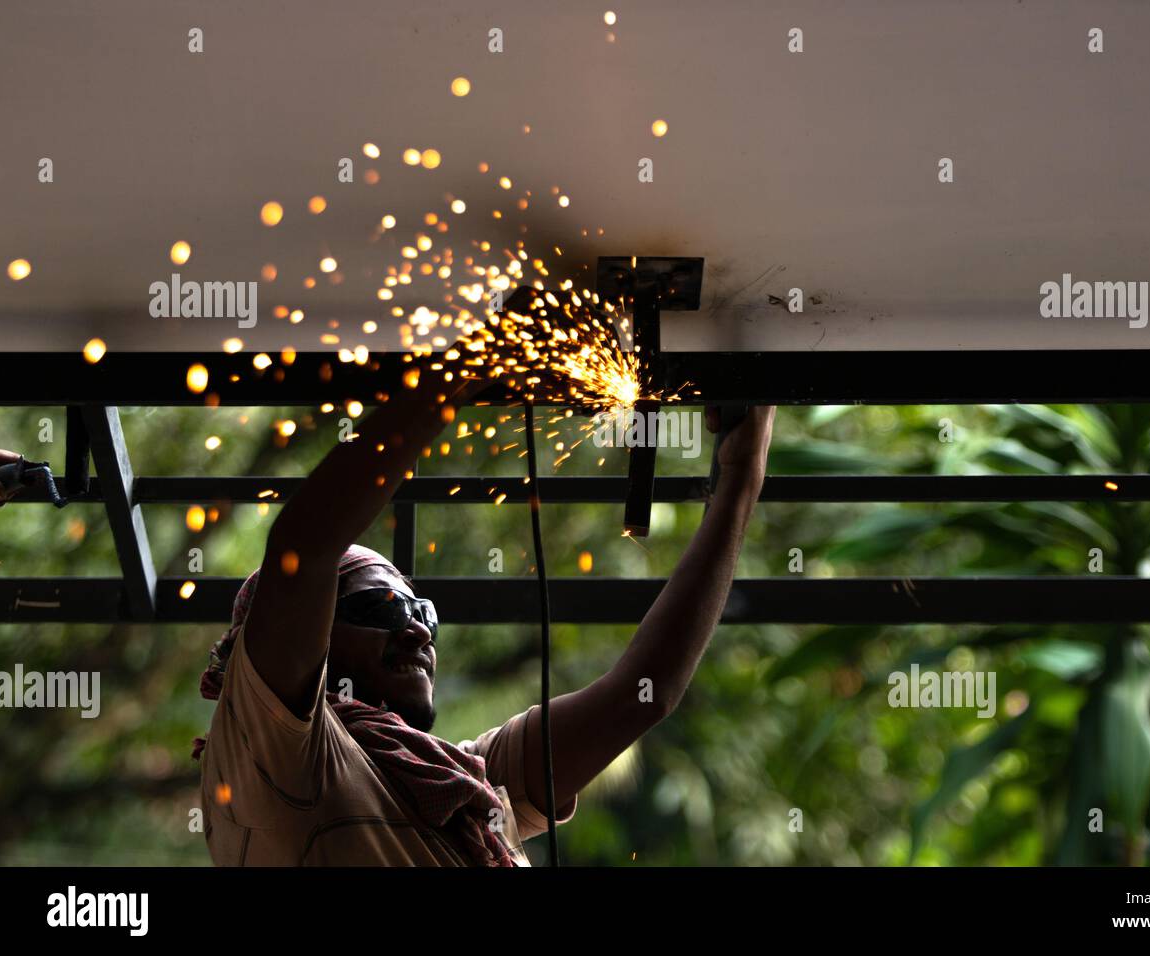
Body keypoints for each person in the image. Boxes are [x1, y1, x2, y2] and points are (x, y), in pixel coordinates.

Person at [195, 366, 775, 866]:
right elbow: (303, 545)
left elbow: (642, 697)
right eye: (379, 608)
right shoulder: (274, 754)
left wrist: (741, 480)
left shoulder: (459, 785)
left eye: (424, 612)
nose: (417, 629)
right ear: (307, 636)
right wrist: (463, 368)